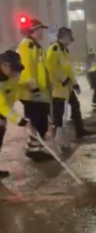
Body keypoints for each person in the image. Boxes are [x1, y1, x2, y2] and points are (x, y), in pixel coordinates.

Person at [46, 27, 96, 143]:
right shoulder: (54, 49)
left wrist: (75, 84)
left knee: (75, 106)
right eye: (69, 39)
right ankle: (58, 137)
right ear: (64, 37)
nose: (70, 42)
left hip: (67, 87)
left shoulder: (65, 51)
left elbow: (69, 70)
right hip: (58, 88)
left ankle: (80, 130)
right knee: (59, 114)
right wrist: (63, 79)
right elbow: (51, 67)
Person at [17, 18, 53, 162]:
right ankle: (34, 151)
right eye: (40, 30)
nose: (42, 33)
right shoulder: (27, 45)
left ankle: (34, 149)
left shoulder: (35, 46)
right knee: (38, 122)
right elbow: (25, 70)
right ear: (34, 30)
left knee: (41, 122)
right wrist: (34, 89)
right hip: (31, 93)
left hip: (38, 92)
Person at [0, 50, 34, 178]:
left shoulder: (12, 76)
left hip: (3, 112)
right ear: (4, 65)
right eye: (13, 68)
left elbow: (15, 89)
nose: (16, 72)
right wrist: (18, 119)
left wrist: (31, 86)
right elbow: (1, 104)